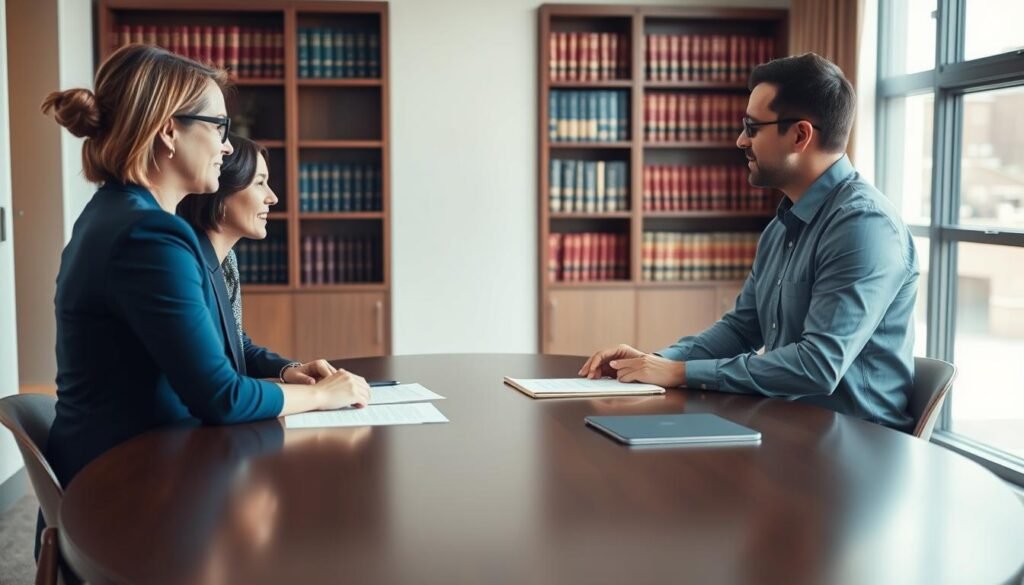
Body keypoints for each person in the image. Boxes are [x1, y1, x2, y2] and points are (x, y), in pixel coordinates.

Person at [40, 44, 370, 559]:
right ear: (169, 131)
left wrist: (290, 375)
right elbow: (222, 398)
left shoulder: (125, 218)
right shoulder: (147, 235)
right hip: (128, 495)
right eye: (218, 126)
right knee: (304, 535)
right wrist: (323, 396)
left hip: (138, 469)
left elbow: (220, 350)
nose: (225, 146)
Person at [580, 53, 919, 430]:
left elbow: (818, 365)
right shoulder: (782, 226)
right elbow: (741, 329)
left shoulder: (864, 225)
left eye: (752, 127)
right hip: (790, 430)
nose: (741, 140)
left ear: (800, 135)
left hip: (858, 447)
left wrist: (679, 371)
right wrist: (650, 363)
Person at [176, 134, 333, 384]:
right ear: (220, 191)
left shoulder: (227, 262)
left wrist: (290, 369)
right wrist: (317, 395)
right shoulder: (186, 267)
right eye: (260, 183)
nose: (272, 197)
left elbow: (237, 344)